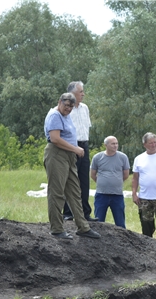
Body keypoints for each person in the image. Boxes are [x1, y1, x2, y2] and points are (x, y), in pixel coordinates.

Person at [43, 93, 101, 240]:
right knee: (57, 192)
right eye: (66, 105)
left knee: (75, 191)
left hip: (69, 156)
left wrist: (73, 151)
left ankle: (83, 227)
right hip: (57, 154)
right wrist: (75, 149)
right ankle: (56, 229)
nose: (68, 108)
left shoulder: (66, 116)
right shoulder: (54, 115)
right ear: (59, 102)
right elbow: (55, 138)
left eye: (70, 106)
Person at [60, 81, 98, 222]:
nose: (83, 94)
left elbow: (86, 127)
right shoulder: (65, 110)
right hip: (71, 146)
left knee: (84, 180)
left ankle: (85, 213)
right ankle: (68, 212)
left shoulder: (84, 108)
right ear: (72, 93)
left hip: (84, 145)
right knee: (70, 179)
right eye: (81, 91)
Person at [90, 136, 130, 228]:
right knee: (98, 222)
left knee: (120, 223)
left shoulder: (123, 157)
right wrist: (101, 182)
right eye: (113, 144)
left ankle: (122, 241)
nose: (115, 146)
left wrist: (116, 181)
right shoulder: (97, 157)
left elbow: (126, 175)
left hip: (117, 195)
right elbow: (92, 174)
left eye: (116, 143)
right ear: (106, 145)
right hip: (101, 195)